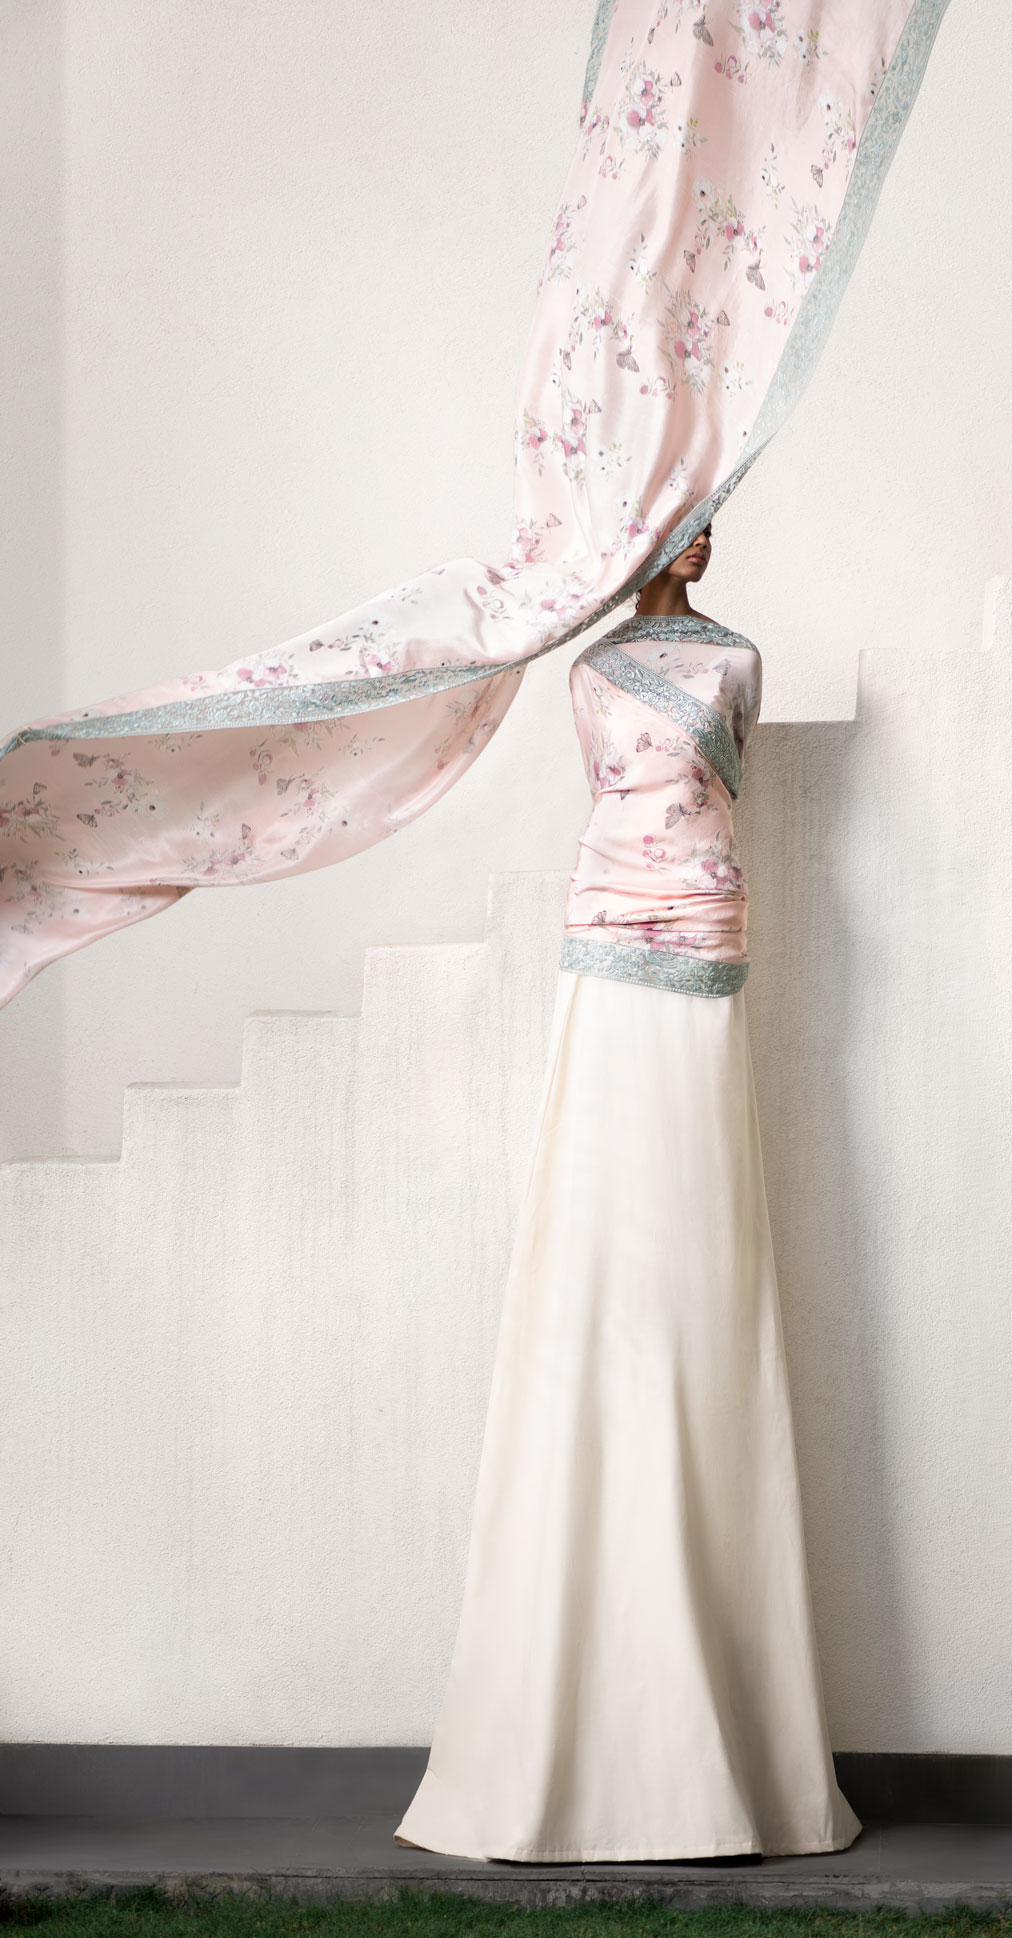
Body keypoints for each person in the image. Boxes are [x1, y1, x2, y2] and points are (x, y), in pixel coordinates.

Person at [394, 523, 861, 1862]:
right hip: (606, 962)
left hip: (703, 962)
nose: (706, 534)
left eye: (721, 512)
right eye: (687, 511)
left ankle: (712, 1734)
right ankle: (582, 1721)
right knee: (598, 1278)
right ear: (652, 523)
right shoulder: (591, 673)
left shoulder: (738, 662)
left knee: (704, 1290)